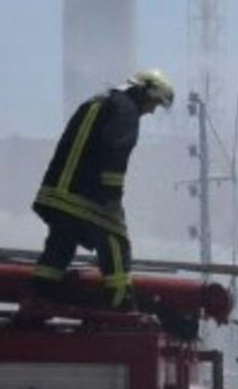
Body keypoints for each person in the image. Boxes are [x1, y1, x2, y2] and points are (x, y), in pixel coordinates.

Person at [29, 69, 176, 309]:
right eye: (154, 103)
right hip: (88, 198)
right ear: (145, 91)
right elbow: (116, 152)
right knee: (116, 239)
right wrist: (113, 198)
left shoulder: (94, 104)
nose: (151, 110)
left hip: (55, 194)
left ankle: (39, 293)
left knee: (61, 242)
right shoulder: (127, 111)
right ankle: (120, 302)